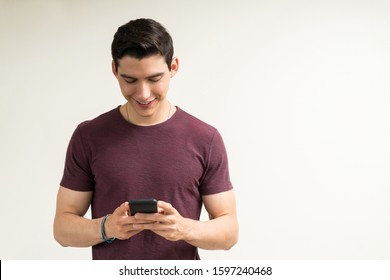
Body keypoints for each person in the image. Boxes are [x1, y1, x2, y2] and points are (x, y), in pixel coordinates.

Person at [53, 18, 238, 260]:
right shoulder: (88, 136)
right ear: (114, 70)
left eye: (154, 79)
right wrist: (107, 228)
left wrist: (184, 228)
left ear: (174, 67)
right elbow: (62, 230)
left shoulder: (205, 138)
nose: (143, 94)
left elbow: (229, 233)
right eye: (130, 80)